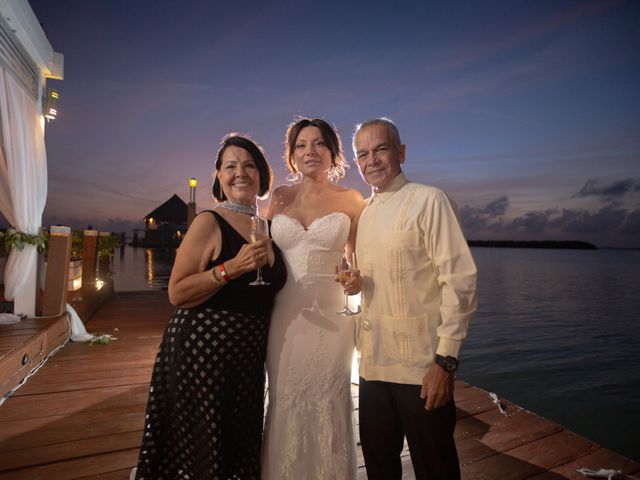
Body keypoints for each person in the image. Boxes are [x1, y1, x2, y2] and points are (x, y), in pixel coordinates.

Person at [133, 134, 287, 480]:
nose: (240, 173)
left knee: (237, 445)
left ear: (262, 176)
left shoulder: (267, 227)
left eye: (249, 165)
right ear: (218, 176)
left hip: (247, 358)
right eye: (230, 166)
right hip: (202, 353)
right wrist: (230, 268)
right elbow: (177, 292)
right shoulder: (208, 222)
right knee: (202, 450)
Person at [351, 118, 477, 480]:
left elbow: (460, 280)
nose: (371, 160)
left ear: (401, 152)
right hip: (372, 365)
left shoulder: (429, 200)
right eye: (363, 154)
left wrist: (445, 362)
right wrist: (358, 282)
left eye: (381, 149)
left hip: (421, 367)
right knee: (379, 465)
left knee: (434, 467)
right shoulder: (365, 210)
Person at [261, 117, 365, 479]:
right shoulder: (279, 197)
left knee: (329, 399)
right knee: (285, 398)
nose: (310, 151)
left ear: (332, 152)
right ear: (292, 155)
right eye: (302, 145)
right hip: (284, 314)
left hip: (332, 316)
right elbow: (266, 255)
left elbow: (361, 261)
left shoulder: (352, 200)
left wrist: (356, 279)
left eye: (319, 143)